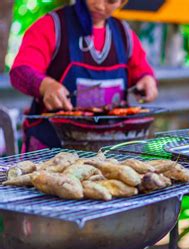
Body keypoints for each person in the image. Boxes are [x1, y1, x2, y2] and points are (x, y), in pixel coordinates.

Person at [9, 0, 158, 152]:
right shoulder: (52, 25)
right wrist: (45, 86)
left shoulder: (124, 33)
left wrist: (147, 81)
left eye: (111, 1)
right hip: (51, 150)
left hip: (113, 151)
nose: (100, 6)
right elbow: (21, 71)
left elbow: (143, 71)